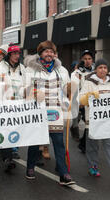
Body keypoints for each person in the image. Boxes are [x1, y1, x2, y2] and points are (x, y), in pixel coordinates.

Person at [23, 40, 75, 186]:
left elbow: (66, 90)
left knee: (59, 143)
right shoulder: (30, 70)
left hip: (55, 112)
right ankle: (30, 167)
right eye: (46, 51)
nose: (49, 54)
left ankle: (64, 173)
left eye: (51, 51)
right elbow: (23, 89)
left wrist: (70, 89)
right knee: (36, 142)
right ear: (40, 53)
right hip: (37, 111)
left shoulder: (62, 70)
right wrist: (33, 92)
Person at [79, 59, 110, 181]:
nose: (103, 70)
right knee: (93, 146)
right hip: (93, 121)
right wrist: (88, 96)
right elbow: (80, 100)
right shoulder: (89, 82)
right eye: (100, 67)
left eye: (105, 68)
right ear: (96, 69)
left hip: (107, 121)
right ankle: (93, 166)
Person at [0, 44, 27, 159]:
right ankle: (6, 149)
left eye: (18, 53)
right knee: (6, 126)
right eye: (14, 53)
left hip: (19, 103)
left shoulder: (22, 68)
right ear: (9, 55)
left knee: (17, 126)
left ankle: (14, 149)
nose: (16, 56)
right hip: (5, 102)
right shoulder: (1, 66)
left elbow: (26, 84)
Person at [71, 50, 95, 151]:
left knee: (90, 124)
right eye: (85, 59)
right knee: (87, 123)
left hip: (92, 101)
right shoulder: (77, 72)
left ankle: (83, 144)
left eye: (89, 59)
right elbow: (74, 86)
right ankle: (83, 143)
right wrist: (79, 72)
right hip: (81, 102)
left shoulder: (95, 71)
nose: (87, 61)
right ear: (81, 60)